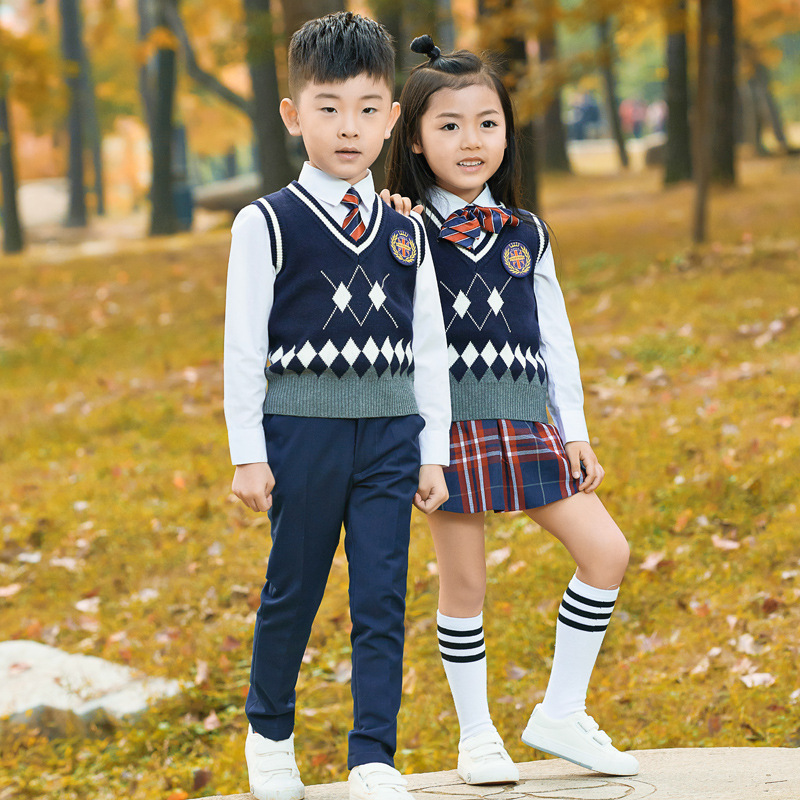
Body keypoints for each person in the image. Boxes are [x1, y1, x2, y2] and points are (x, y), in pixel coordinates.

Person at [386, 35, 638, 785]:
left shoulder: (528, 232)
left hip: (529, 418)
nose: (472, 141)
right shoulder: (402, 229)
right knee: (464, 584)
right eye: (450, 125)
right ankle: (477, 736)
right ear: (416, 138)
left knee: (607, 553)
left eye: (487, 122)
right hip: (446, 427)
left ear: (507, 131)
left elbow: (555, 336)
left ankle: (561, 711)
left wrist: (576, 432)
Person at [223, 14, 452, 800]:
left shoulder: (405, 228)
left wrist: (435, 450)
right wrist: (247, 450)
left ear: (393, 119)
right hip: (303, 435)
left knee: (381, 592)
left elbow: (429, 345)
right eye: (327, 107)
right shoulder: (267, 223)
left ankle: (373, 756)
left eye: (365, 108)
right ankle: (269, 734)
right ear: (294, 116)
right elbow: (243, 345)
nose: (347, 127)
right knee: (295, 584)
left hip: (391, 435)